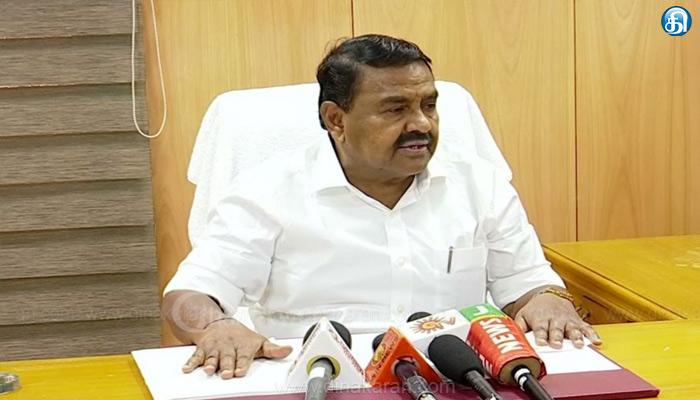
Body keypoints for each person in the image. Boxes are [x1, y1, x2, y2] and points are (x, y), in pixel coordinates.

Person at [162, 34, 601, 380]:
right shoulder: (267, 191)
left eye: (429, 105)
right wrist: (214, 327)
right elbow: (189, 296)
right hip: (315, 380)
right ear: (336, 120)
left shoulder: (478, 183)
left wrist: (549, 301)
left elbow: (527, 282)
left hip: (452, 377)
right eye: (395, 109)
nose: (421, 124)